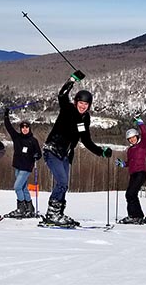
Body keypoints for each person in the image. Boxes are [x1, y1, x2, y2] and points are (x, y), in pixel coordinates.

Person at [41, 78, 113, 227]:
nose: (82, 106)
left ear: (89, 106)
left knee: (64, 185)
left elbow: (86, 141)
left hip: (66, 155)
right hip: (53, 150)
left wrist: (101, 152)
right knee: (61, 182)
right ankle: (52, 214)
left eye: (86, 104)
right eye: (80, 103)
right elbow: (62, 95)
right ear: (76, 102)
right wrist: (71, 81)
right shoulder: (68, 109)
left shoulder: (85, 119)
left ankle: (58, 213)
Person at [3, 108, 42, 218]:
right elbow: (9, 127)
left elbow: (39, 154)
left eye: (26, 127)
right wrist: (6, 116)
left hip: (26, 168)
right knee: (23, 188)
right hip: (17, 166)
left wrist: (36, 156)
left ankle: (21, 208)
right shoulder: (17, 138)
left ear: (29, 129)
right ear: (20, 129)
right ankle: (29, 207)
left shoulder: (33, 140)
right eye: (23, 127)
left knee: (17, 187)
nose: (24, 129)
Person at [115, 116, 146, 224]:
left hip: (140, 173)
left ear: (137, 136)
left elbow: (145, 134)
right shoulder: (130, 150)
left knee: (130, 194)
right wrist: (123, 164)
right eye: (130, 139)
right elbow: (129, 163)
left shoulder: (142, 145)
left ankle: (133, 216)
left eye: (133, 137)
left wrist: (140, 123)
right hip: (133, 174)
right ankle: (138, 216)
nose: (132, 140)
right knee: (131, 194)